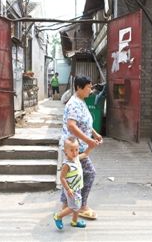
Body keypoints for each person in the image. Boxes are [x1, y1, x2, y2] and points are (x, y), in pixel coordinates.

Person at [59, 75, 102, 220]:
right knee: (89, 173)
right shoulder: (73, 104)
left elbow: (85, 123)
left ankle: (66, 205)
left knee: (73, 175)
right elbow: (72, 125)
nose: (91, 90)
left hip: (78, 146)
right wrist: (89, 141)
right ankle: (82, 206)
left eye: (91, 87)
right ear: (79, 87)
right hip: (73, 148)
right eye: (88, 87)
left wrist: (94, 134)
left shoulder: (81, 101)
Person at [53, 136, 88, 230]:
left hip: (77, 188)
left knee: (77, 205)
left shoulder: (76, 158)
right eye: (71, 150)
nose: (75, 152)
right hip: (71, 189)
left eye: (76, 149)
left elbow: (85, 154)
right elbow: (62, 177)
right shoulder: (66, 164)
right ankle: (58, 216)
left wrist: (92, 146)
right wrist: (68, 189)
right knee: (73, 206)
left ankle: (74, 221)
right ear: (65, 151)